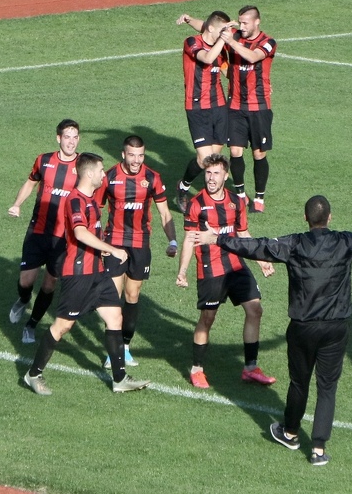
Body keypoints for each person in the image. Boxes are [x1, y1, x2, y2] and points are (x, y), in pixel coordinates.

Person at [192, 195, 352, 465]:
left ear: (306, 218)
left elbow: (256, 246)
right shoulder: (345, 241)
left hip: (303, 328)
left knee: (299, 383)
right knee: (327, 387)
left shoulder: (294, 244)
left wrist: (217, 239)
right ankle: (318, 450)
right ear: (329, 218)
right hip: (336, 327)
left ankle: (291, 432)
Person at [23, 152, 150, 395]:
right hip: (78, 274)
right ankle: (33, 374)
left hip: (98, 273)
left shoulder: (91, 200)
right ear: (90, 173)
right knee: (62, 327)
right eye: (101, 171)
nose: (104, 174)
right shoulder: (75, 201)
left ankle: (119, 379)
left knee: (115, 318)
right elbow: (80, 234)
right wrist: (112, 249)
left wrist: (102, 252)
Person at [175, 153, 275, 389]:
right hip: (211, 268)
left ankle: (250, 368)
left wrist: (260, 260)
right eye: (208, 173)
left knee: (255, 309)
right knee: (208, 318)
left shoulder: (236, 202)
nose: (210, 178)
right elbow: (190, 238)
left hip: (236, 265)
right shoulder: (196, 203)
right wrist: (183, 271)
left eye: (216, 173)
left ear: (225, 176)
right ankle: (197, 369)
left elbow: (243, 234)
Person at [179, 6, 277, 213]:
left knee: (242, 155)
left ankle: (248, 198)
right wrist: (191, 21)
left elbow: (247, 59)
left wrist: (228, 39)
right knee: (219, 156)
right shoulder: (203, 41)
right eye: (238, 24)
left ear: (256, 22)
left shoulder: (265, 42)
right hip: (215, 106)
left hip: (239, 106)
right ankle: (191, 189)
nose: (239, 27)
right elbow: (208, 33)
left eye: (244, 23)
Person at [94, 135, 178, 369]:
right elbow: (96, 211)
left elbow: (164, 214)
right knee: (113, 297)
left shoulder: (152, 177)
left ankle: (126, 347)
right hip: (115, 242)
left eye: (140, 156)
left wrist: (172, 240)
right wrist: (99, 243)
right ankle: (113, 352)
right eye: (132, 155)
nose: (136, 160)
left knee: (132, 295)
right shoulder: (109, 177)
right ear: (123, 154)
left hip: (141, 243)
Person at [8, 119, 79, 344]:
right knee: (26, 281)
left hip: (64, 238)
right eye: (67, 137)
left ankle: (31, 325)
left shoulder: (83, 166)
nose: (71, 142)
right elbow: (31, 182)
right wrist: (17, 204)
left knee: (49, 285)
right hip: (37, 231)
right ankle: (23, 300)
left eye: (75, 137)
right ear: (58, 138)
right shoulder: (44, 160)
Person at [174, 11, 231, 214]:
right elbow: (206, 58)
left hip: (219, 106)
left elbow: (227, 72)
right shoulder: (191, 42)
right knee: (206, 160)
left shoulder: (220, 45)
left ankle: (189, 187)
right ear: (213, 29)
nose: (228, 34)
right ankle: (187, 190)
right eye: (223, 30)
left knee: (212, 157)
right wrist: (222, 40)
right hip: (197, 107)